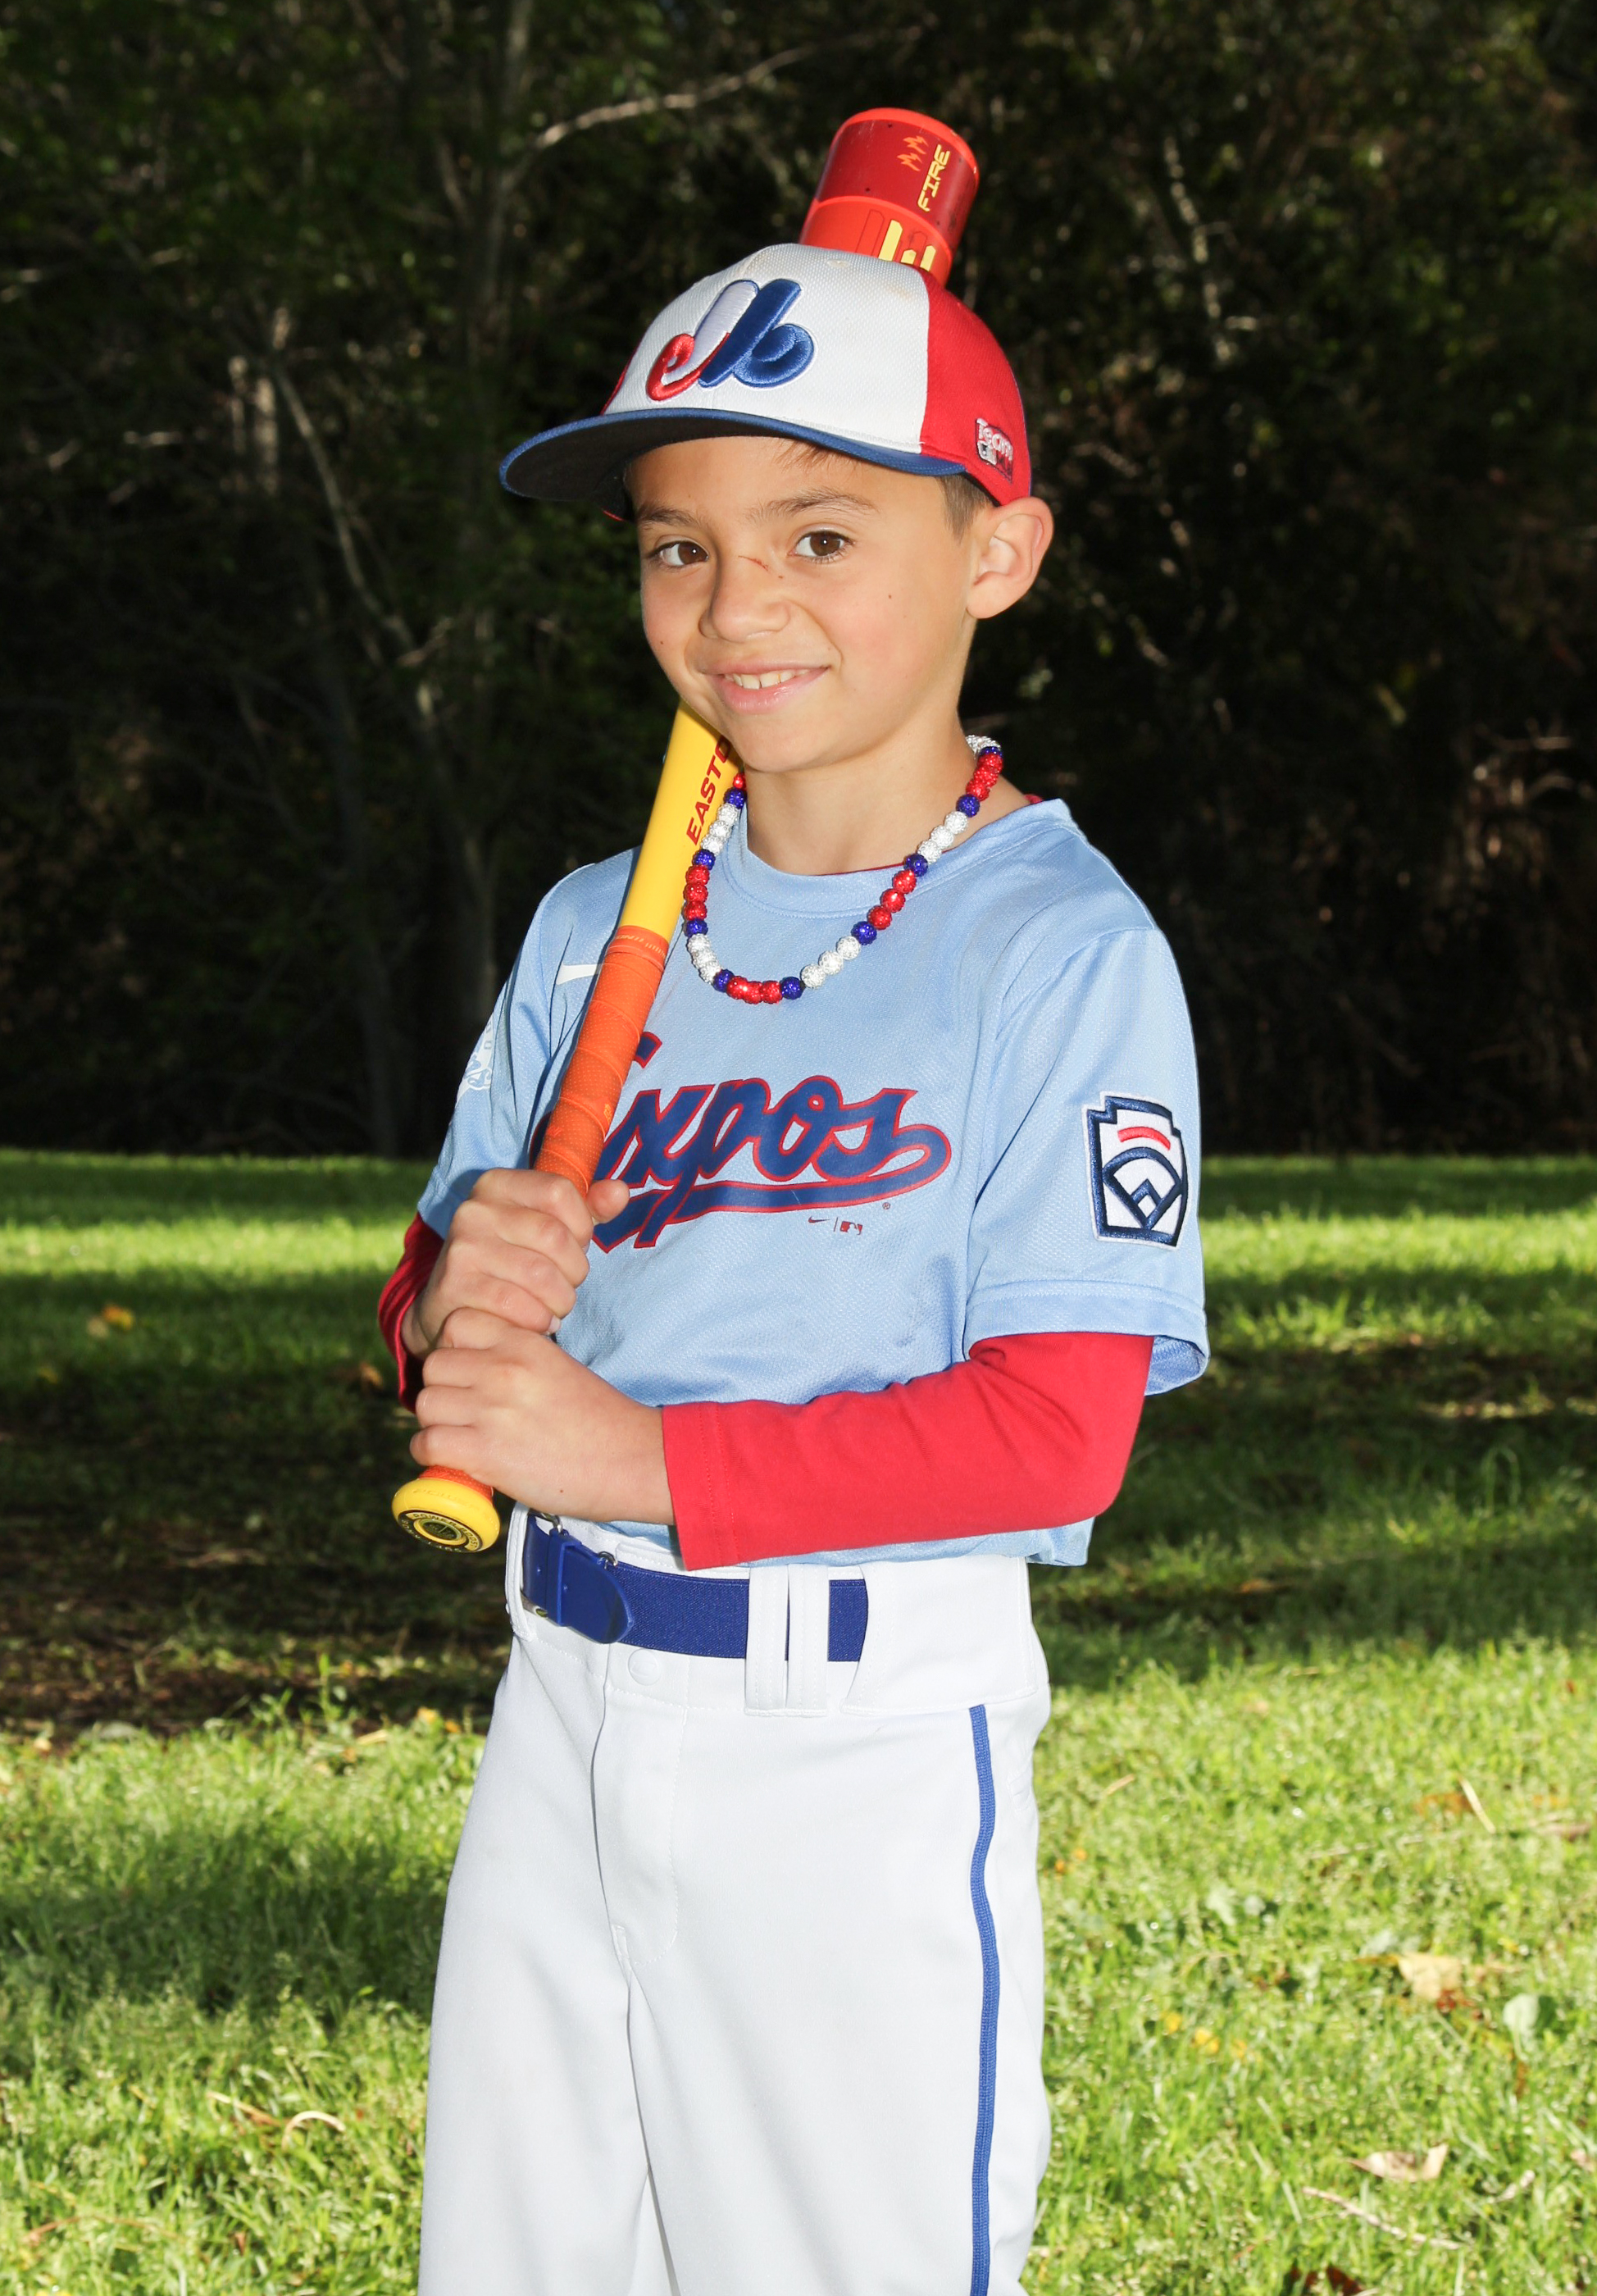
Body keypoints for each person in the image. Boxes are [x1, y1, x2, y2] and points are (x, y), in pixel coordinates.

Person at [378, 239, 1207, 2296]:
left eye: (819, 535)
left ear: (997, 553)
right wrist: (452, 1296)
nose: (737, 607)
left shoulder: (1061, 950)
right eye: (681, 547)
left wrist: (631, 1451)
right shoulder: (594, 924)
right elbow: (434, 1318)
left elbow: (1056, 1438)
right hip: (560, 1698)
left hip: (851, 1731)